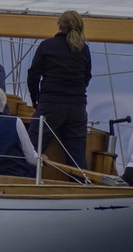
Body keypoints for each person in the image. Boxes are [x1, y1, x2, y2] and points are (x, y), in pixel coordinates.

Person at [27, 10, 93, 170]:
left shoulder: (47, 46)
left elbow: (33, 75)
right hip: (77, 107)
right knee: (77, 157)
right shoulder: (83, 49)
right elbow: (86, 77)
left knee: (32, 150)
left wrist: (36, 100)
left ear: (59, 26)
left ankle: (24, 184)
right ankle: (80, 189)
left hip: (50, 105)